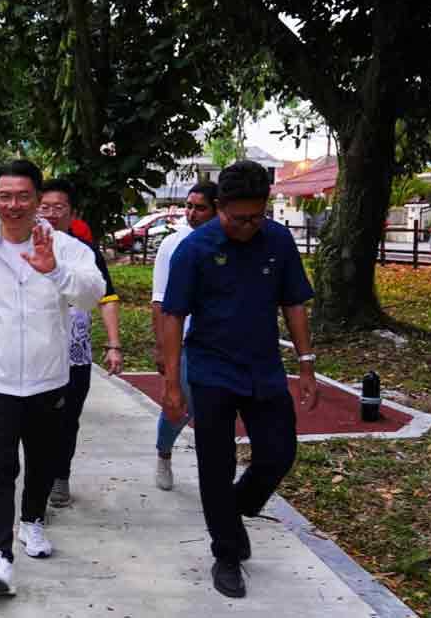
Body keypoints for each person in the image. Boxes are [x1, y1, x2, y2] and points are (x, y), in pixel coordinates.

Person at [0, 160, 107, 596]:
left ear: (38, 201)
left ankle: (32, 521)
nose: (13, 205)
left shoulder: (66, 248)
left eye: (23, 196)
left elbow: (92, 295)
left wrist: (54, 269)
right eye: (5, 196)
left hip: (47, 379)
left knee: (41, 461)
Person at [161, 160, 317, 600]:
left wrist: (306, 364)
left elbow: (295, 303)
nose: (248, 227)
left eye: (256, 217)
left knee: (279, 453)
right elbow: (173, 315)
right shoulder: (196, 248)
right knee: (216, 463)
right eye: (237, 218)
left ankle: (235, 507)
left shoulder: (278, 240)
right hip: (211, 369)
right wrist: (173, 385)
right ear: (219, 208)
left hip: (263, 367)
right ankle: (226, 552)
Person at [36, 179, 122, 509]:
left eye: (59, 208)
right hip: (36, 351)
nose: (51, 214)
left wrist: (114, 344)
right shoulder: (22, 248)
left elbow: (107, 297)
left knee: (67, 419)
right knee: (37, 421)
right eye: (45, 207)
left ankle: (60, 476)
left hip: (75, 353)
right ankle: (38, 482)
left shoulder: (84, 252)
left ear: (72, 214)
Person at [150, 181, 218, 490]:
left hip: (221, 341)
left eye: (200, 207)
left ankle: (214, 475)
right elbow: (160, 301)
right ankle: (164, 453)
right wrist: (162, 349)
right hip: (185, 342)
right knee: (179, 405)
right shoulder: (173, 245)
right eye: (189, 206)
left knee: (216, 412)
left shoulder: (228, 241)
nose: (191, 213)